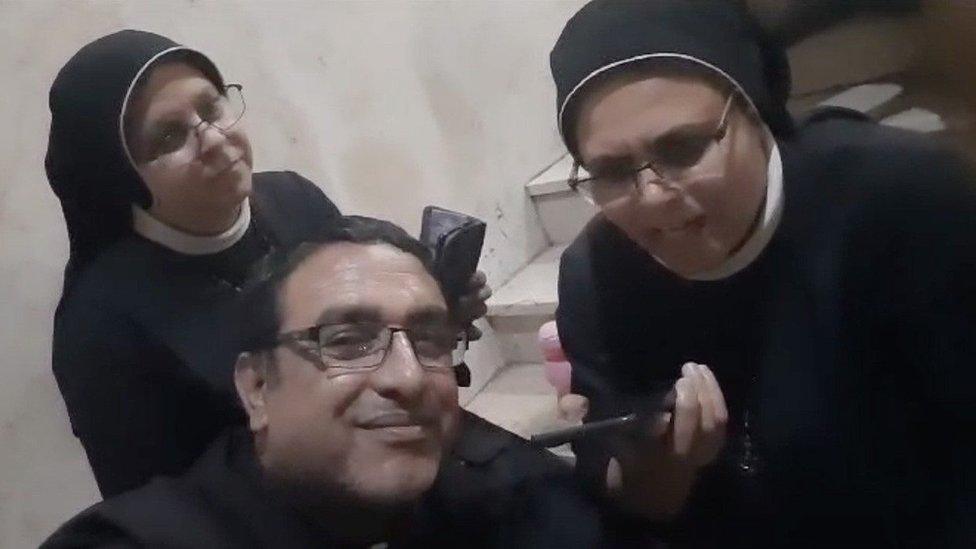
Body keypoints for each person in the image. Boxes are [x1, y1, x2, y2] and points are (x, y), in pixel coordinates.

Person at [549, 1, 975, 547]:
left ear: (754, 113)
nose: (652, 198)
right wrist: (661, 465)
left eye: (682, 148)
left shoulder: (898, 201)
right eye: (610, 171)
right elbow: (637, 503)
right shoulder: (595, 278)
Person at [46, 30, 490, 498]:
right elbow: (156, 508)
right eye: (171, 135)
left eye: (211, 108)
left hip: (406, 454)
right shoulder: (99, 328)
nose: (215, 140)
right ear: (118, 176)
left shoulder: (294, 201)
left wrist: (433, 324)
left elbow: (363, 334)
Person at [41, 217, 631, 549]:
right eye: (346, 342)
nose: (408, 378)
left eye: (430, 340)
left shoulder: (498, 483)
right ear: (256, 388)